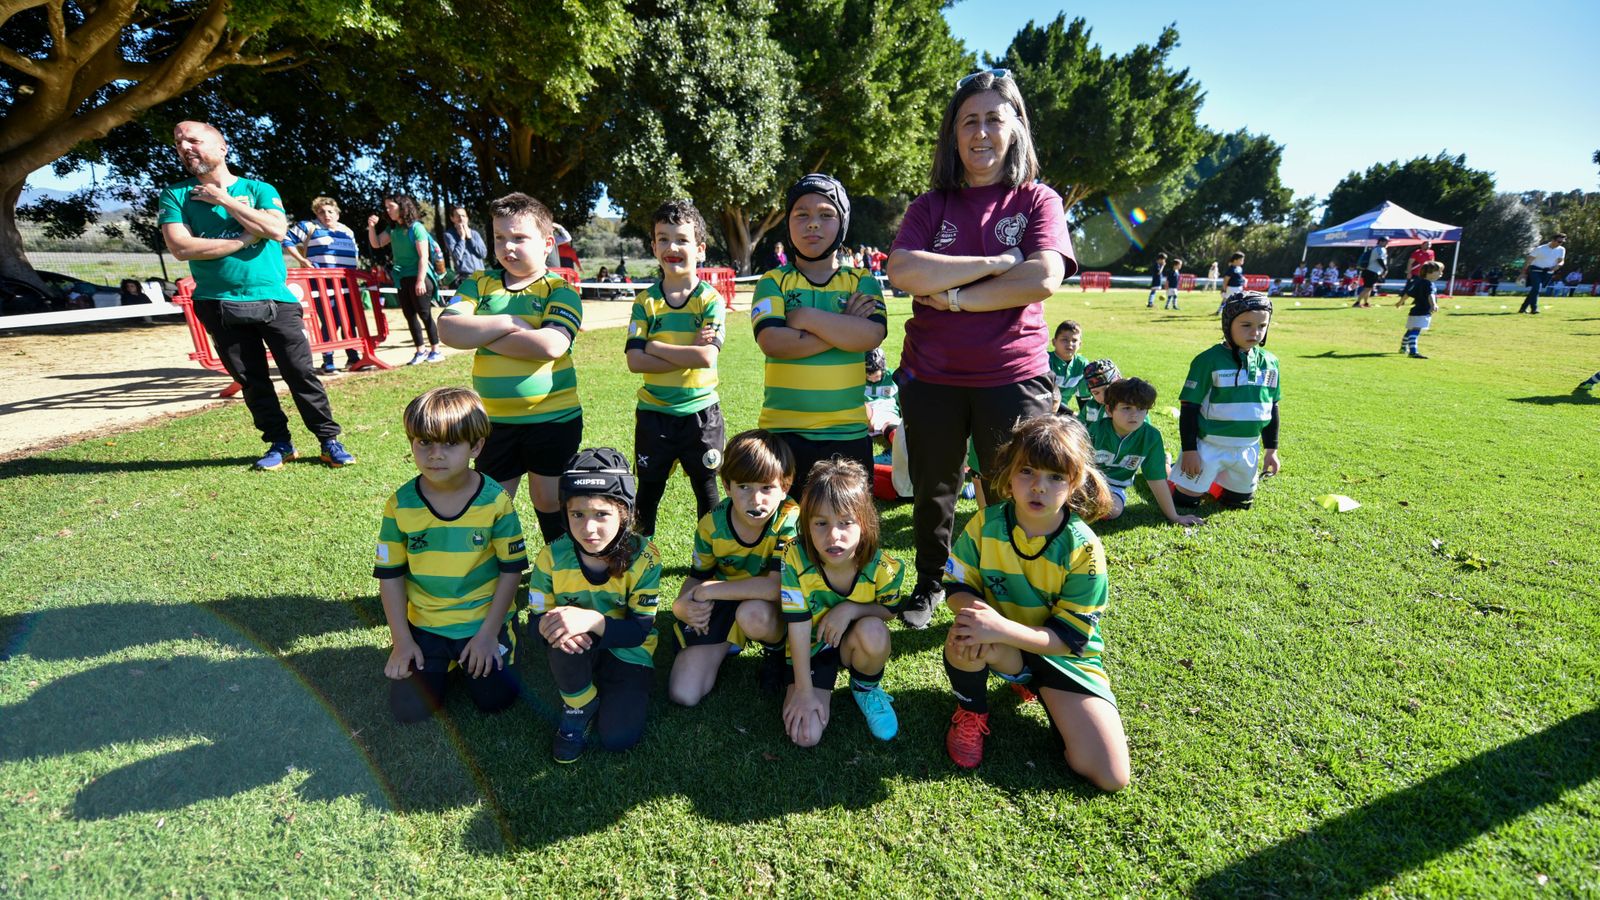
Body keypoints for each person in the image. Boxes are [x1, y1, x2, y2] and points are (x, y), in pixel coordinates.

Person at [885, 69, 1072, 629]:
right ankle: (930, 582)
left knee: (1013, 489)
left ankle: (1005, 589)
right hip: (931, 376)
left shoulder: (1037, 200)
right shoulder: (930, 206)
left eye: (994, 118)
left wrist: (956, 298)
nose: (981, 132)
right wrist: (995, 263)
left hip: (1013, 375)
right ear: (953, 134)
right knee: (933, 489)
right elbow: (904, 271)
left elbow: (1042, 277)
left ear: (1016, 128)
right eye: (969, 121)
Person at [940, 415, 1130, 790]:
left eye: (1055, 477)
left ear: (1075, 481)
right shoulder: (985, 524)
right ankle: (971, 711)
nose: (1039, 487)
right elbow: (957, 585)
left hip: (1062, 658)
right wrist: (978, 617)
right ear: (1009, 474)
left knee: (1110, 776)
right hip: (1001, 644)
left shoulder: (1084, 548)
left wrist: (1000, 627)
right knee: (964, 634)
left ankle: (1040, 688)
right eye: (1027, 471)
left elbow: (1070, 639)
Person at [157, 120, 354, 471]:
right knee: (252, 381)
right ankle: (280, 444)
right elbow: (181, 247)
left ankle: (328, 441)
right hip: (218, 302)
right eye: (178, 143)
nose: (184, 147)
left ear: (222, 148)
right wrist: (242, 240)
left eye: (193, 140)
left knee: (301, 373)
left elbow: (276, 229)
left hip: (275, 299)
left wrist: (223, 200)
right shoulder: (176, 195)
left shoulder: (259, 188)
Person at [438, 192, 584, 549]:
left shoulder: (560, 290)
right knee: (492, 502)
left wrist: (482, 334)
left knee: (548, 500)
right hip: (493, 423)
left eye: (519, 237)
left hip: (552, 419)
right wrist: (509, 322)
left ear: (547, 243)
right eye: (500, 237)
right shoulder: (479, 283)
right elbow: (448, 330)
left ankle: (560, 564)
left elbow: (550, 345)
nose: (508, 247)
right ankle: (501, 567)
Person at [376, 387, 526, 723]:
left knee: (495, 700)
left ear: (476, 447)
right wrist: (402, 641)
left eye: (450, 443)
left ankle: (495, 646)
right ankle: (442, 659)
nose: (435, 455)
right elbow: (391, 576)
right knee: (408, 710)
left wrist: (487, 635)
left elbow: (511, 570)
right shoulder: (400, 504)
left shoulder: (496, 501)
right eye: (424, 442)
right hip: (427, 624)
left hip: (482, 622)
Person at [752, 173, 887, 499]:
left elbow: (871, 335)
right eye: (802, 214)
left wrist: (806, 318)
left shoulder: (862, 281)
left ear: (843, 223)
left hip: (848, 433)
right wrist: (844, 326)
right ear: (788, 223)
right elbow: (773, 342)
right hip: (783, 432)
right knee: (786, 526)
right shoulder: (772, 281)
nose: (813, 223)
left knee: (845, 524)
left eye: (826, 214)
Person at [527, 448, 662, 763]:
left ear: (625, 513)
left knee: (618, 737)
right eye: (578, 514)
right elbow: (534, 625)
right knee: (560, 632)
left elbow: (639, 631)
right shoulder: (551, 557)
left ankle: (611, 687)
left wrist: (590, 620)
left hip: (627, 648)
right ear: (564, 513)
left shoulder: (645, 558)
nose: (589, 529)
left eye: (601, 514)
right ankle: (579, 706)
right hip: (574, 646)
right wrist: (548, 627)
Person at [779, 458, 905, 746]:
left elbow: (889, 611)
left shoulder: (883, 566)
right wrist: (803, 690)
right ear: (806, 525)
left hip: (853, 640)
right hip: (812, 645)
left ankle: (865, 688)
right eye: (821, 523)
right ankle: (807, 680)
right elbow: (797, 624)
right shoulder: (794, 556)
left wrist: (850, 609)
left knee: (874, 631)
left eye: (846, 523)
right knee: (806, 735)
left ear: (865, 523)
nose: (833, 535)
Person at [669, 430, 800, 706]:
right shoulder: (711, 525)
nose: (756, 499)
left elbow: (775, 587)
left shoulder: (789, 519)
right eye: (744, 487)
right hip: (725, 598)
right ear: (727, 487)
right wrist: (680, 606)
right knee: (684, 693)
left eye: (767, 488)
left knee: (753, 614)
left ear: (785, 488)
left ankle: (776, 650)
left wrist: (709, 590)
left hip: (770, 605)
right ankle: (731, 637)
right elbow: (697, 577)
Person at [625, 199, 727, 538]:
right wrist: (686, 351)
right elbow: (634, 361)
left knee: (706, 489)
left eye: (682, 239)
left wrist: (653, 346)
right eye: (663, 239)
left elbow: (706, 357)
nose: (672, 247)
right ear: (654, 247)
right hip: (654, 413)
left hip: (701, 414)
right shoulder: (645, 302)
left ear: (700, 249)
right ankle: (639, 557)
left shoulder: (710, 300)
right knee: (648, 491)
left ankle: (710, 557)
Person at [1171, 293, 1281, 512]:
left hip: (1247, 448)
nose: (1255, 332)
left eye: (1262, 326)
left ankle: (1214, 481)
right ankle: (1169, 470)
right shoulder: (1207, 361)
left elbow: (1272, 407)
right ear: (1228, 324)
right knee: (1185, 502)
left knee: (1238, 504)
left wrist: (1271, 450)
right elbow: (1189, 408)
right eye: (1246, 325)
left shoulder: (1270, 362)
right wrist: (1190, 451)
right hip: (1209, 447)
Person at [1087, 378, 1202, 526]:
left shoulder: (1151, 437)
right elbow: (1076, 467)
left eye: (1141, 409)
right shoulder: (1094, 431)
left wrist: (1174, 516)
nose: (1134, 415)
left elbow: (1156, 479)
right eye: (1126, 408)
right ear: (1109, 410)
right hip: (1088, 481)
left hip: (1114, 487)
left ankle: (1165, 462)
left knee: (1112, 510)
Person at [283, 196, 363, 372]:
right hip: (322, 283)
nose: (326, 215)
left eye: (330, 211)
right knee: (330, 320)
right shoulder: (309, 227)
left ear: (337, 214)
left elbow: (354, 254)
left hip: (347, 282)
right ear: (316, 214)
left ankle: (353, 358)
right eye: (321, 212)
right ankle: (328, 361)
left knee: (349, 320)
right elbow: (285, 239)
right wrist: (302, 260)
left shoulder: (347, 231)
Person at [367, 195, 443, 365]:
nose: (388, 210)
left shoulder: (417, 228)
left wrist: (420, 280)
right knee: (409, 315)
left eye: (391, 206)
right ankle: (420, 351)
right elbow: (376, 243)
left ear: (402, 207)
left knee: (425, 314)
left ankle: (436, 350)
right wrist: (371, 227)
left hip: (420, 276)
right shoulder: (392, 229)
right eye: (386, 207)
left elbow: (423, 257)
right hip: (402, 278)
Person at [1398, 260, 1444, 358]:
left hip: (1414, 311)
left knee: (1410, 330)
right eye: (1439, 271)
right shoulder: (1430, 284)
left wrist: (1400, 302)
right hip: (1423, 311)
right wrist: (1433, 304)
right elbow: (1430, 295)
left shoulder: (1418, 282)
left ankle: (1403, 347)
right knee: (1416, 331)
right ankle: (1413, 352)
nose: (1441, 273)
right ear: (1430, 273)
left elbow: (1408, 293)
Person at [1048, 320, 1087, 417]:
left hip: (1063, 413)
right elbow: (1045, 396)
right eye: (1064, 340)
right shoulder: (1046, 361)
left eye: (1074, 340)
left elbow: (1084, 398)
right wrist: (1071, 413)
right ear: (1054, 342)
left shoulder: (1082, 364)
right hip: (1044, 408)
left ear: (1080, 344)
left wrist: (1085, 419)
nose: (1070, 344)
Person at [1520, 233, 1567, 314]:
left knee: (1535, 290)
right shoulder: (1540, 248)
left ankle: (1523, 308)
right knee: (1537, 288)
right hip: (1535, 270)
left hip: (1548, 272)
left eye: (1562, 242)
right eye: (1559, 241)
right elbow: (1529, 260)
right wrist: (1523, 272)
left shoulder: (1561, 249)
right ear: (1553, 240)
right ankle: (1534, 308)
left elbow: (1561, 261)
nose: (1560, 243)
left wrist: (1559, 265)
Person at [442, 205, 488, 287]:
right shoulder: (449, 235)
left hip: (481, 276)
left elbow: (483, 254)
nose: (461, 218)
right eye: (458, 216)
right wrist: (462, 238)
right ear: (452, 218)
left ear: (467, 218)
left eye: (463, 215)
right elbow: (456, 256)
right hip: (466, 277)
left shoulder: (475, 234)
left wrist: (470, 238)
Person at [1079, 358, 1119, 426]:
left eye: (1107, 390)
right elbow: (1078, 425)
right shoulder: (1090, 406)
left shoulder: (1124, 407)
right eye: (1096, 393)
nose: (1103, 396)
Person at [1354, 236, 1389, 308]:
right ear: (1381, 242)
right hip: (1372, 271)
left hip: (1369, 271)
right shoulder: (1379, 249)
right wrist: (1385, 269)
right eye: (1386, 242)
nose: (1387, 243)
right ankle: (1357, 303)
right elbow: (1380, 259)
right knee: (1367, 288)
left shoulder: (1376, 248)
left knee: (1369, 287)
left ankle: (1366, 303)